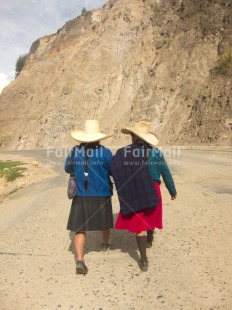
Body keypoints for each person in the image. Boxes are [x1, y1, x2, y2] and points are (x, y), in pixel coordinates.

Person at [110, 121, 177, 272]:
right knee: (151, 217)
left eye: (132, 135)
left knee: (140, 226)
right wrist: (172, 191)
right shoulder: (156, 153)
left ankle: (144, 260)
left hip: (138, 190)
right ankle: (150, 237)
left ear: (134, 136)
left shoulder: (127, 152)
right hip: (154, 189)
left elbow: (115, 169)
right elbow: (165, 172)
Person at [65, 120, 113, 275]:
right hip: (102, 193)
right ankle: (105, 243)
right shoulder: (105, 153)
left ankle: (79, 260)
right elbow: (112, 171)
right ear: (99, 138)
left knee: (80, 227)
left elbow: (67, 168)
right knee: (105, 220)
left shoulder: (74, 152)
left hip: (81, 194)